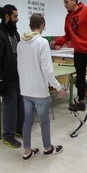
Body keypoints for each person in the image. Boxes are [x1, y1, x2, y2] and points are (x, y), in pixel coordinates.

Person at [17, 13, 64, 161]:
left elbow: (20, 67)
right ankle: (48, 148)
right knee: (44, 121)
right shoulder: (42, 43)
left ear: (30, 25)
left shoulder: (20, 43)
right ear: (42, 25)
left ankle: (27, 151)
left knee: (27, 121)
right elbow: (48, 71)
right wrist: (58, 87)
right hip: (39, 91)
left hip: (25, 90)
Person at [0, 4, 24, 148]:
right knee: (9, 107)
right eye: (15, 16)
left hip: (18, 76)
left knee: (20, 104)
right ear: (7, 17)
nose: (17, 19)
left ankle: (18, 129)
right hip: (7, 78)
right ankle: (8, 135)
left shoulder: (14, 33)